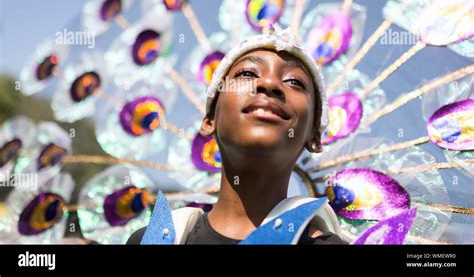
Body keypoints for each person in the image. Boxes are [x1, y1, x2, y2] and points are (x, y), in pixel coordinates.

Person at [127, 27, 347, 245]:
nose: (269, 84)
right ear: (209, 121)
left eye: (294, 82)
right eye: (248, 74)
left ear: (314, 138)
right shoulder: (150, 239)